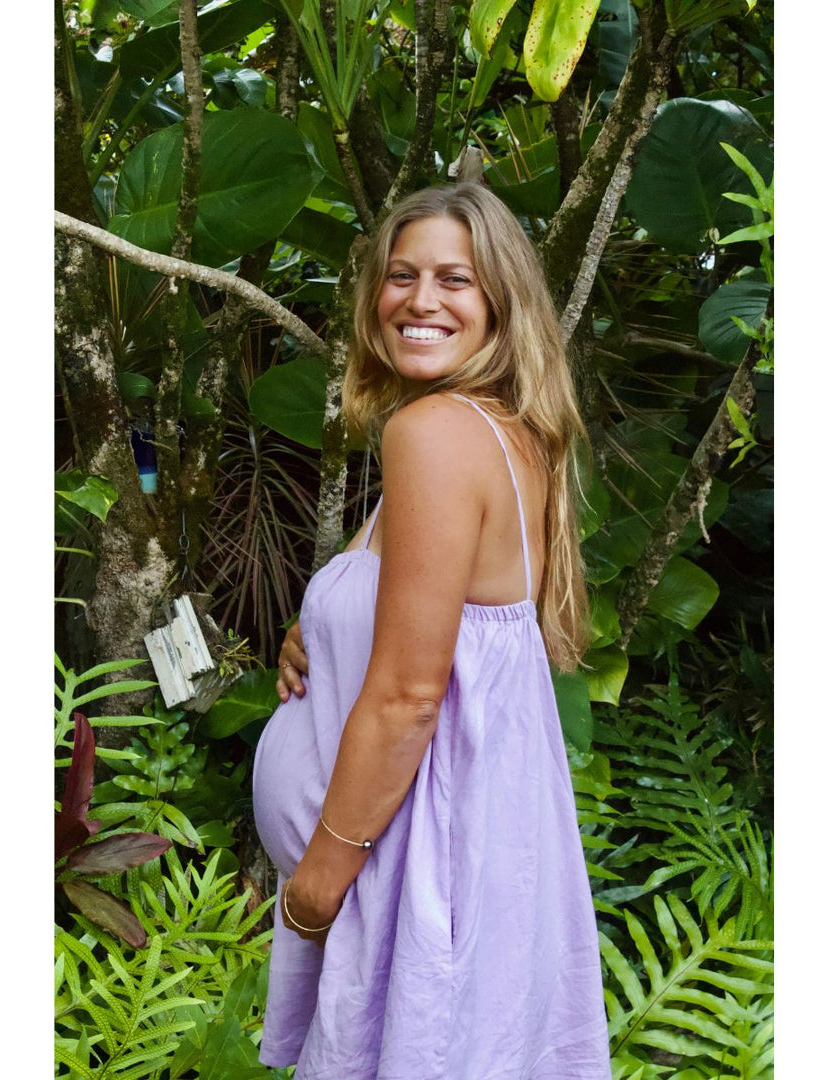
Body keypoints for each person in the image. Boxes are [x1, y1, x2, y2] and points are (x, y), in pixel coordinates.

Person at [252, 182, 611, 1079]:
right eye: (402, 275)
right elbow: (428, 629)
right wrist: (320, 634)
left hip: (406, 866)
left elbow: (414, 696)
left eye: (455, 279)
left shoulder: (436, 433)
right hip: (446, 852)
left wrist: (315, 887)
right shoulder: (498, 429)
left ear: (499, 299)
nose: (420, 300)